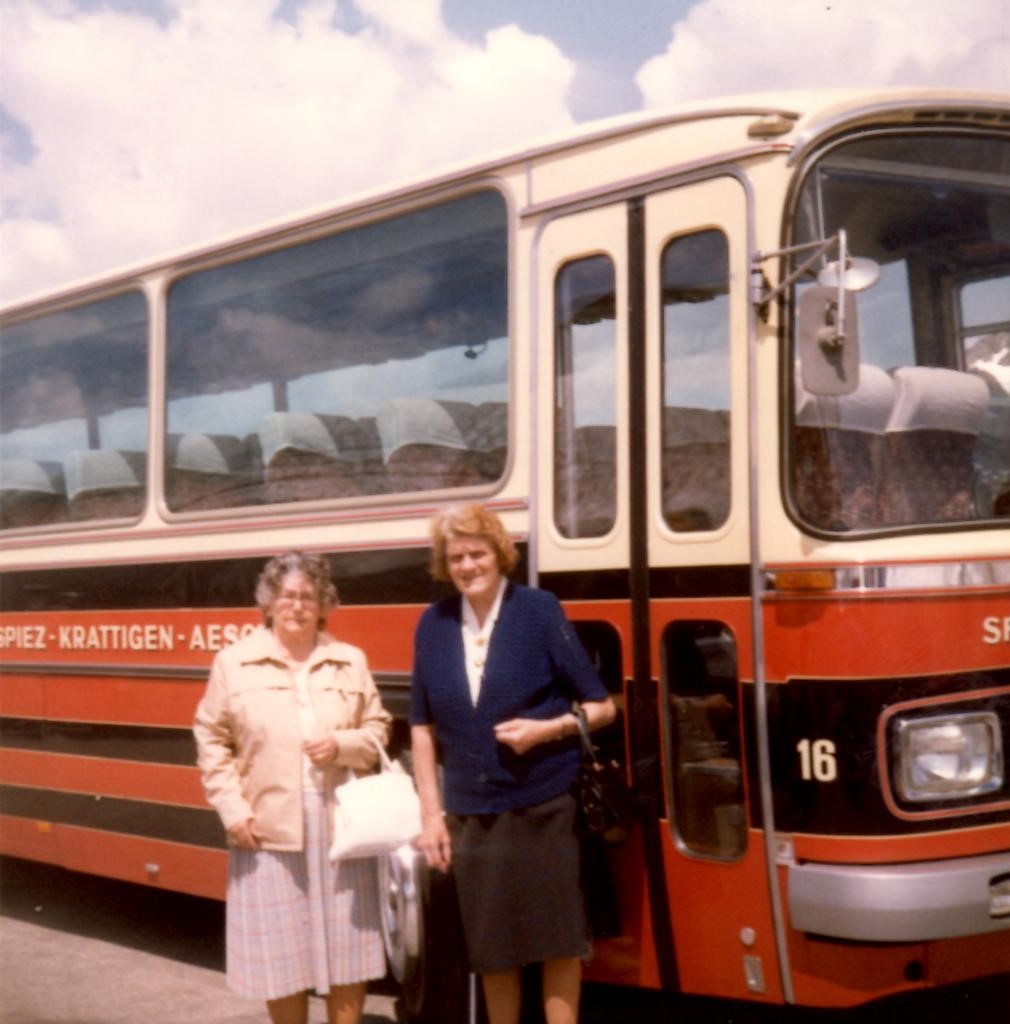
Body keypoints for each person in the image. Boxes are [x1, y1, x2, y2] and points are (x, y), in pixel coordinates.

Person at [410, 504, 617, 1024]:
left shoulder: (538, 610)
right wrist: (431, 816)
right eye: (455, 556)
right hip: (471, 816)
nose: (467, 565)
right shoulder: (432, 625)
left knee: (558, 943)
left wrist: (548, 730)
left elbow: (602, 705)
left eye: (477, 553)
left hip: (544, 806)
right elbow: (421, 727)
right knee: (493, 950)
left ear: (499, 554)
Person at [194, 551, 391, 1024]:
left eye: (308, 596)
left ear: (324, 605)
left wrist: (341, 744)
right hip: (266, 827)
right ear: (268, 603)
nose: (297, 606)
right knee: (282, 957)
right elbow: (211, 738)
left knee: (349, 949)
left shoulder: (349, 661)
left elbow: (378, 729)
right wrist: (232, 809)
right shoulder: (234, 662)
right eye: (287, 596)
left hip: (341, 827)